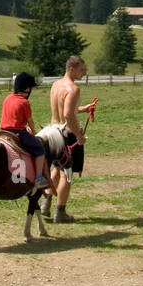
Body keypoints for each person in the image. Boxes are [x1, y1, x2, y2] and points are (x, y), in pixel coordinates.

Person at [43, 55, 93, 223]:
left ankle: (46, 204)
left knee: (56, 169)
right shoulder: (73, 89)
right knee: (67, 174)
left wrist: (83, 109)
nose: (84, 73)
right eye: (81, 70)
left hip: (53, 132)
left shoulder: (56, 85)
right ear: (72, 69)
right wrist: (78, 135)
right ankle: (60, 212)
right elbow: (67, 114)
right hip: (68, 135)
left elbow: (66, 109)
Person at [0, 72, 51, 192]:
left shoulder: (8, 98)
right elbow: (30, 121)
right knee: (39, 149)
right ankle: (38, 178)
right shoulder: (24, 102)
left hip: (3, 131)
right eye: (31, 87)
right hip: (17, 133)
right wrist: (34, 132)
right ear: (27, 88)